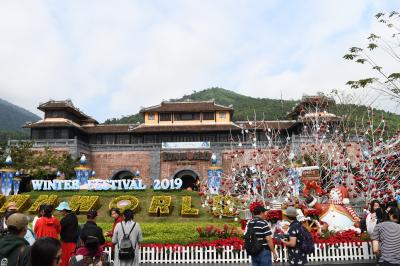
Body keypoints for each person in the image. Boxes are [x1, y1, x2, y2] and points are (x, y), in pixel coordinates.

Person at [56, 201, 79, 266]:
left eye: (60, 210)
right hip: (74, 242)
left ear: (64, 210)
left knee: (64, 261)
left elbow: (58, 229)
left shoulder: (65, 220)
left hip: (66, 243)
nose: (60, 212)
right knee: (71, 260)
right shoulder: (74, 216)